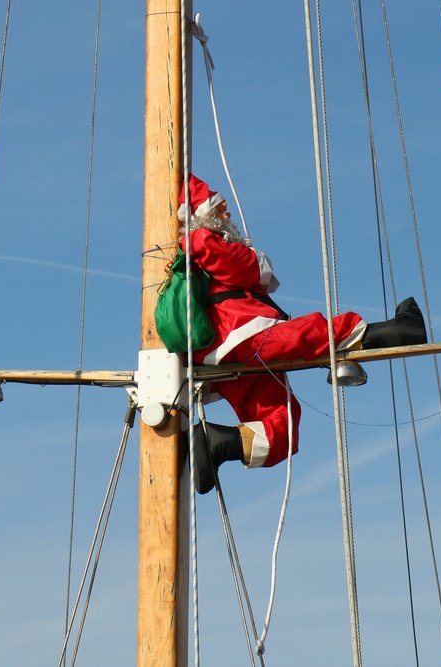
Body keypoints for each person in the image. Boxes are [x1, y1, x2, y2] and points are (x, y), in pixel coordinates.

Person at [175, 174, 427, 494]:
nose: (227, 215)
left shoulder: (202, 243)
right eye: (220, 209)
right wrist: (254, 259)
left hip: (233, 347)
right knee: (309, 334)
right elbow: (244, 269)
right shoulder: (201, 241)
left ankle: (217, 442)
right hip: (238, 333)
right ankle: (399, 332)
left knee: (284, 427)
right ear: (202, 216)